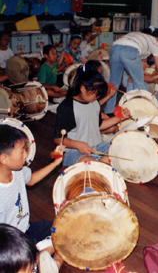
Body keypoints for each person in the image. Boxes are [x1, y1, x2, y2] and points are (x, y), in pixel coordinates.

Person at [0, 125, 65, 273]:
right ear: (4, 158)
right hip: (14, 244)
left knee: (62, 227)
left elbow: (32, 179)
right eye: (22, 151)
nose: (26, 155)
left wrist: (55, 163)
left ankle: (44, 251)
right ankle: (43, 256)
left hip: (26, 228)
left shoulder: (17, 171)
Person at [53, 69, 130, 167]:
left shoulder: (94, 103)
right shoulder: (67, 107)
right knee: (90, 163)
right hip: (74, 152)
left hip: (97, 147)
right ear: (83, 88)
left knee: (124, 148)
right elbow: (58, 139)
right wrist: (77, 144)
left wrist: (119, 117)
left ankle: (101, 161)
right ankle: (101, 162)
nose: (97, 97)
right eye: (95, 93)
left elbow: (99, 125)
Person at [104, 27, 158, 114]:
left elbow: (135, 64)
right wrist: (157, 71)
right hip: (130, 50)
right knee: (139, 84)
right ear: (157, 38)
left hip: (114, 49)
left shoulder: (137, 35)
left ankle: (108, 111)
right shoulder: (154, 42)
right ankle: (141, 112)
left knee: (113, 83)